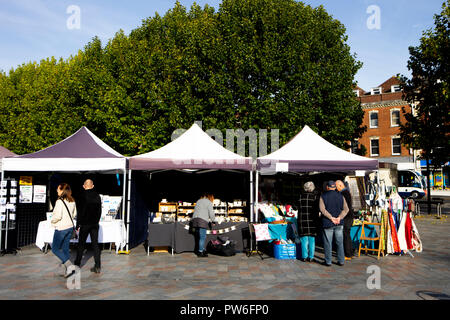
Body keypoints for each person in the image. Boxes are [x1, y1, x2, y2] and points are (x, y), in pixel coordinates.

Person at [74, 179, 102, 273]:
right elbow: (99, 211)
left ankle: (77, 264)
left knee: (81, 244)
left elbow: (80, 212)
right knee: (95, 244)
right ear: (92, 186)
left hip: (85, 224)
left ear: (84, 186)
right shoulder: (97, 196)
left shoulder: (82, 196)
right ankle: (97, 266)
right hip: (94, 223)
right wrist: (96, 221)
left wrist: (78, 224)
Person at [319, 180, 349, 267]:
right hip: (339, 222)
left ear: (327, 187)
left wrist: (331, 218)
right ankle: (341, 260)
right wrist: (339, 217)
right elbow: (346, 209)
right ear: (335, 187)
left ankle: (328, 261)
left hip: (328, 222)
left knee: (328, 243)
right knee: (340, 242)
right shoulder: (341, 196)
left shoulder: (323, 196)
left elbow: (322, 209)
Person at [51, 183, 77, 278]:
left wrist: (52, 221)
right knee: (65, 248)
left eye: (58, 189)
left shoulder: (59, 202)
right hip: (70, 227)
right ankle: (68, 271)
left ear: (62, 190)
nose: (57, 191)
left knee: (55, 249)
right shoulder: (72, 200)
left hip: (61, 228)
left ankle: (69, 266)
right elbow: (74, 214)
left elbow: (58, 216)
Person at [298, 181, 319, 262]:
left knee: (304, 240)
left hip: (302, 221)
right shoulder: (315, 197)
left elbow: (298, 208)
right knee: (312, 240)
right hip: (312, 221)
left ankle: (304, 256)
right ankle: (311, 257)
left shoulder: (300, 197)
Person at [191, 193, 216, 257]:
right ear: (211, 197)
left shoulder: (198, 201)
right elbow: (211, 213)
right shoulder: (209, 202)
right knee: (202, 237)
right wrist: (213, 221)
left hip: (195, 220)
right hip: (202, 221)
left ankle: (201, 249)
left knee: (198, 237)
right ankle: (200, 252)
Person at [336, 180, 354, 261]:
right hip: (349, 216)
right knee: (347, 235)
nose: (336, 189)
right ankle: (350, 252)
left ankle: (348, 254)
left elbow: (344, 207)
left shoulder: (344, 193)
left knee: (345, 235)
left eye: (336, 187)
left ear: (340, 185)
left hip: (346, 217)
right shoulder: (347, 192)